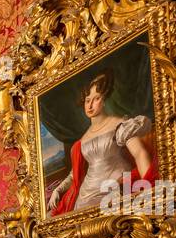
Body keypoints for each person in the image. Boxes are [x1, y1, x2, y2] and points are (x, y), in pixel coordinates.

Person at [47, 69, 155, 215]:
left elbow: (140, 153)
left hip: (115, 191)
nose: (90, 105)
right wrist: (57, 190)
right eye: (87, 100)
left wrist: (150, 190)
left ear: (104, 100)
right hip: (85, 197)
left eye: (96, 98)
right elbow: (74, 174)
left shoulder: (119, 125)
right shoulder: (82, 139)